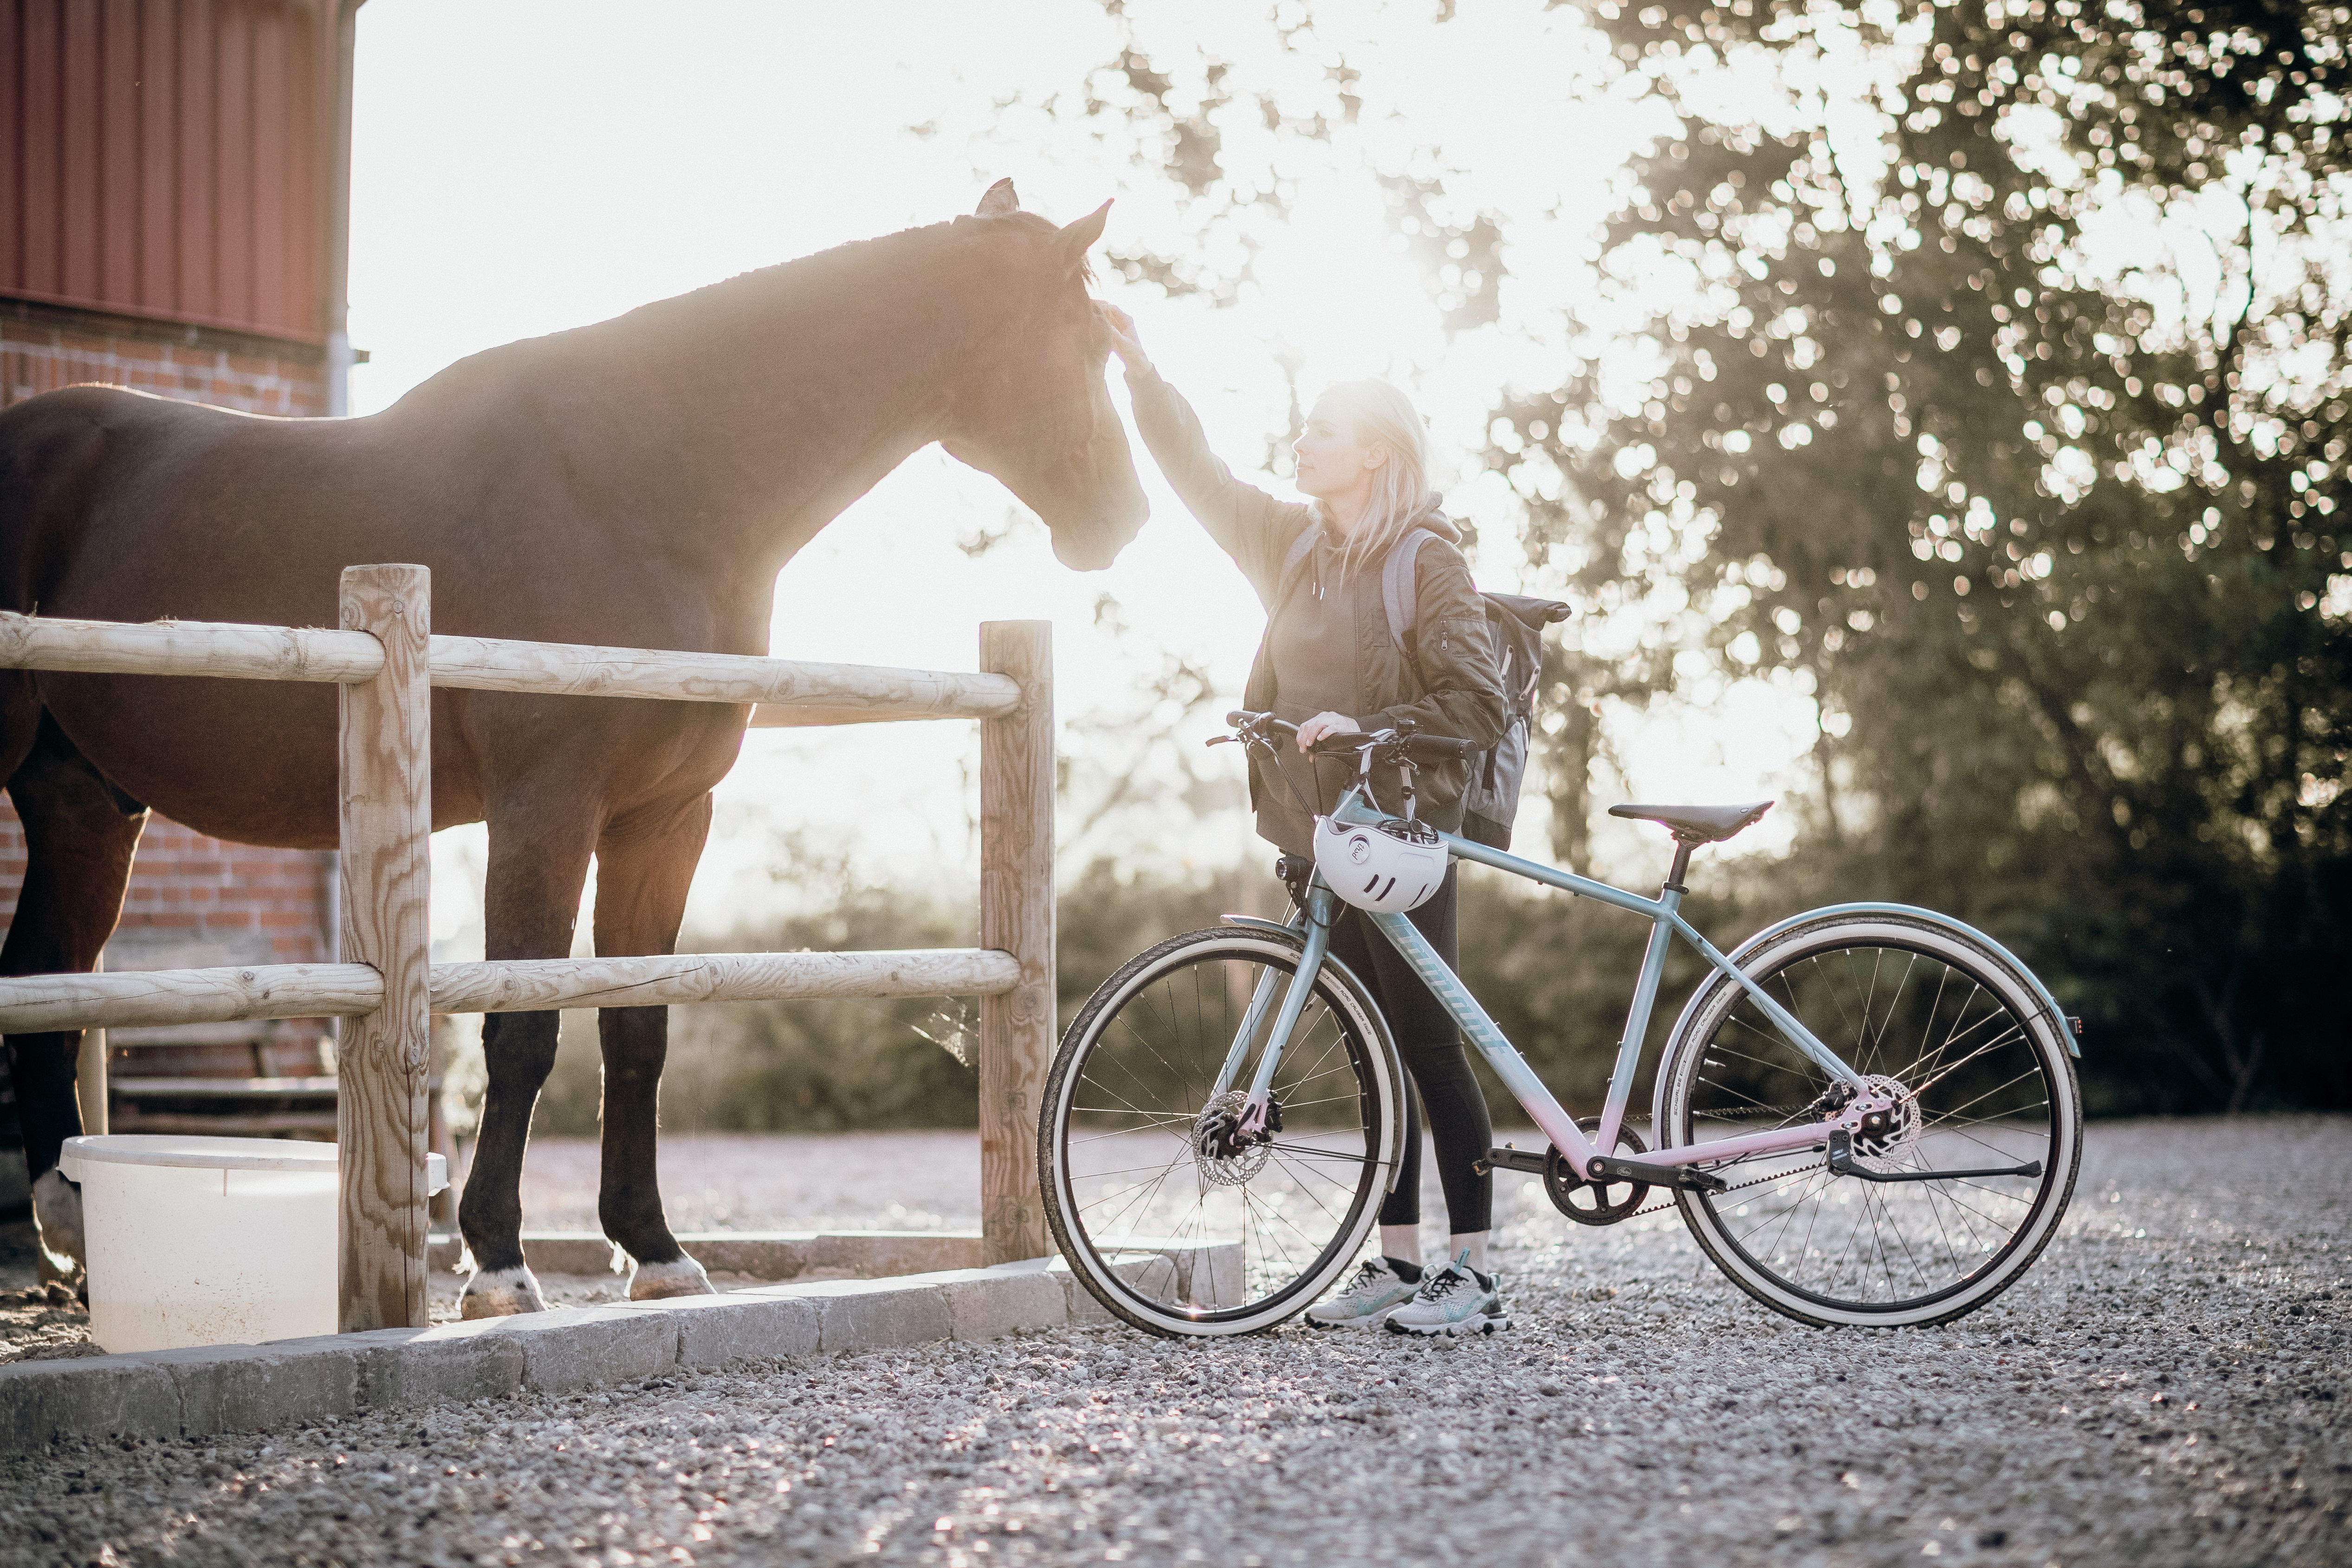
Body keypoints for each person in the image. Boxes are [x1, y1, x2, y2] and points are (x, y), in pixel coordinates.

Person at [1100, 304, 1513, 1336]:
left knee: (1427, 1043)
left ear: (1373, 454)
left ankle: (1472, 1270)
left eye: (1323, 429)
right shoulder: (1291, 544)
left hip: (1404, 836)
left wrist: (1367, 723)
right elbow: (1196, 474)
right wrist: (1142, 372)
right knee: (1373, 1045)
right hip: (1320, 836)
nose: (1302, 440)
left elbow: (1476, 705)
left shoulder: (1424, 561)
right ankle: (1398, 1263)